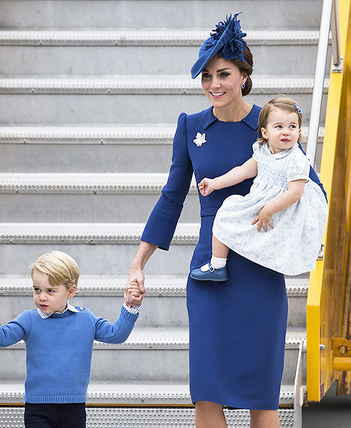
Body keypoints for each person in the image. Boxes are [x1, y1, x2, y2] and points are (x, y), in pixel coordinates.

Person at [125, 14, 325, 428]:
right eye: (206, 77)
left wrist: (295, 236)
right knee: (207, 393)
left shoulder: (275, 126)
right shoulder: (191, 126)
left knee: (261, 397)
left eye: (224, 74)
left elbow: (310, 191)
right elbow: (170, 198)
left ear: (244, 75)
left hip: (261, 265)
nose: (214, 84)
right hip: (210, 270)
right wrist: (138, 263)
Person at [0, 251, 142, 428]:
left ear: (71, 291)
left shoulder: (86, 319)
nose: (42, 296)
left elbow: (117, 334)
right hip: (37, 408)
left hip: (74, 408)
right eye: (37, 289)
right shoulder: (29, 319)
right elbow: (1, 338)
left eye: (50, 291)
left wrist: (131, 306)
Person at [190, 96, 328, 282]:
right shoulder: (263, 151)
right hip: (261, 200)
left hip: (284, 208)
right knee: (227, 211)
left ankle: (265, 258)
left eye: (292, 127)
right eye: (279, 127)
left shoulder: (296, 159)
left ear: (299, 131)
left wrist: (268, 210)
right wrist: (215, 183)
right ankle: (218, 265)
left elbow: (295, 193)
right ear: (265, 132)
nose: (286, 132)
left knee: (266, 227)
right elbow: (243, 171)